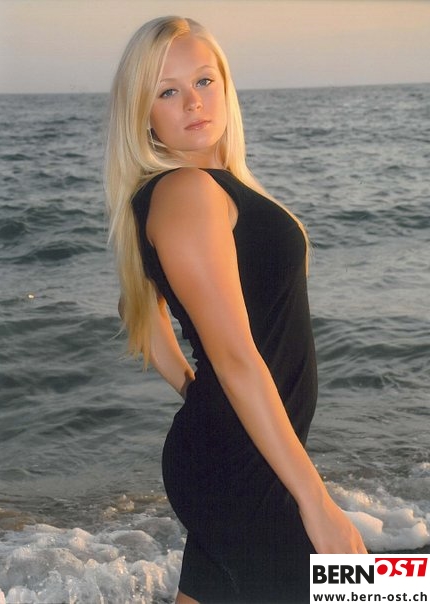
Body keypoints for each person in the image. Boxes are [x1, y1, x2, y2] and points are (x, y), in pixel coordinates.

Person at [105, 16, 367, 604]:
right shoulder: (187, 191)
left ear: (225, 84)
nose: (193, 102)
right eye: (167, 91)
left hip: (238, 453)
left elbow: (136, 308)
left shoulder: (211, 187)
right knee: (376, 591)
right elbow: (236, 357)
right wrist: (317, 502)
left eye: (204, 80)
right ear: (142, 114)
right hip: (238, 466)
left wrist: (196, 390)